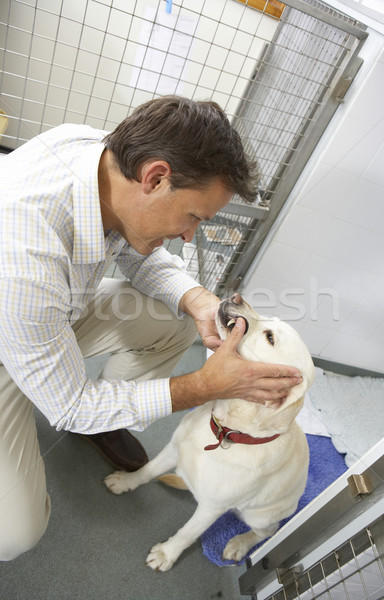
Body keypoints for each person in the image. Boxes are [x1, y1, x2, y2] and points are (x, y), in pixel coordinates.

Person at [0, 95, 303, 561]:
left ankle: (103, 418)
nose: (189, 236)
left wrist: (197, 299)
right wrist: (201, 386)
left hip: (46, 315)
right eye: (195, 218)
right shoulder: (22, 256)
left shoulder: (95, 155)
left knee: (175, 320)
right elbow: (68, 405)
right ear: (156, 178)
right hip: (10, 340)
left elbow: (134, 250)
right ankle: (90, 415)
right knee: (16, 535)